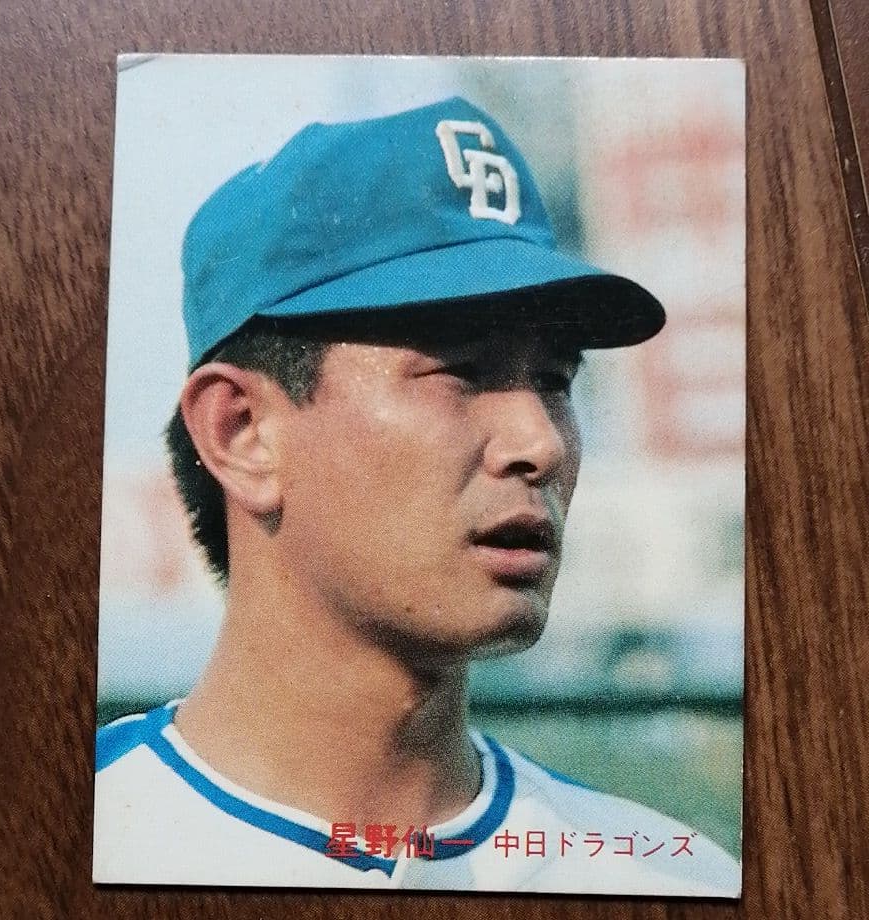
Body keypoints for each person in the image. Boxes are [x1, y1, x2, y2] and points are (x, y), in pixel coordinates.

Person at [93, 97, 741, 896]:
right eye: (459, 371)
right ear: (242, 431)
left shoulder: (671, 879)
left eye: (555, 380)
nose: (540, 443)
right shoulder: (46, 837)